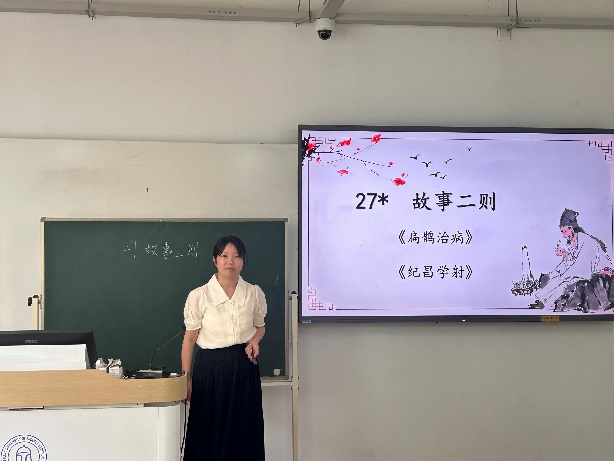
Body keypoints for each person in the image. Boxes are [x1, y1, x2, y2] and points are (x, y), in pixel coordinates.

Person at [181, 235, 266, 461]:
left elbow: (260, 327)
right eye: (224, 256)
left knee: (243, 430)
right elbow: (189, 340)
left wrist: (255, 341)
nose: (230, 261)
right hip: (211, 369)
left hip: (244, 367)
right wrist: (186, 379)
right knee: (210, 431)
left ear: (243, 261)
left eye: (236, 256)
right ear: (215, 260)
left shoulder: (254, 293)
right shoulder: (199, 296)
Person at [531, 209, 613, 312]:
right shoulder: (573, 243)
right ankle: (542, 300)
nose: (563, 235)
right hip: (582, 271)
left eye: (564, 231)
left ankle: (548, 303)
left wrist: (564, 273)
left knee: (565, 282)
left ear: (572, 228)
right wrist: (565, 255)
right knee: (557, 278)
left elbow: (583, 266)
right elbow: (572, 262)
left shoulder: (586, 241)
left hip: (599, 273)